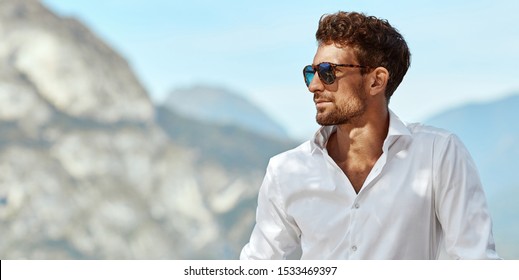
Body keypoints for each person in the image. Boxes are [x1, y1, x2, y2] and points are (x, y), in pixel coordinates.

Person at [240, 11, 499, 260]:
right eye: (311, 72)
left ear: (376, 81)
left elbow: (474, 261)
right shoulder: (286, 170)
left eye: (328, 72)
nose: (314, 85)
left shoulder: (438, 154)